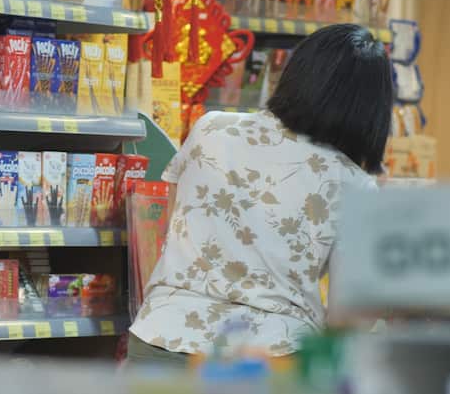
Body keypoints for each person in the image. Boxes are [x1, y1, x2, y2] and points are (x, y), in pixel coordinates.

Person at [126, 24, 394, 366]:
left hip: (161, 337)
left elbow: (171, 225)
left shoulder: (211, 129)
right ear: (368, 110)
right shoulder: (355, 187)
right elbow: (349, 317)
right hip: (270, 356)